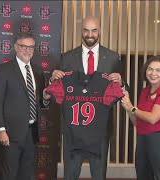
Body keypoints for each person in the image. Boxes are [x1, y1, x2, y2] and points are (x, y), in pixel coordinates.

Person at [49, 16, 125, 180]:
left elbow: (121, 91)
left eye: (94, 30)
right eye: (86, 30)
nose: (89, 34)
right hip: (73, 129)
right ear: (81, 31)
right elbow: (57, 89)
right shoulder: (66, 58)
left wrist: (121, 83)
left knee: (99, 176)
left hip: (100, 130)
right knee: (70, 175)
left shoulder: (113, 58)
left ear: (100, 31)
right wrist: (52, 79)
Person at [0, 32, 46, 180]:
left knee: (27, 175)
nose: (28, 50)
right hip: (10, 134)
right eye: (24, 46)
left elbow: (40, 102)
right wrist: (0, 130)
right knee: (8, 175)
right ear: (16, 47)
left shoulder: (38, 71)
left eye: (31, 47)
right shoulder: (3, 70)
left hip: (31, 133)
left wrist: (46, 98)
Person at [120, 56, 160, 180]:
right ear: (146, 71)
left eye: (158, 70)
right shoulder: (145, 91)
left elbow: (153, 118)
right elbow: (137, 121)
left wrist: (132, 108)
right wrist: (127, 105)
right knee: (143, 176)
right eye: (150, 69)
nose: (153, 73)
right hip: (143, 139)